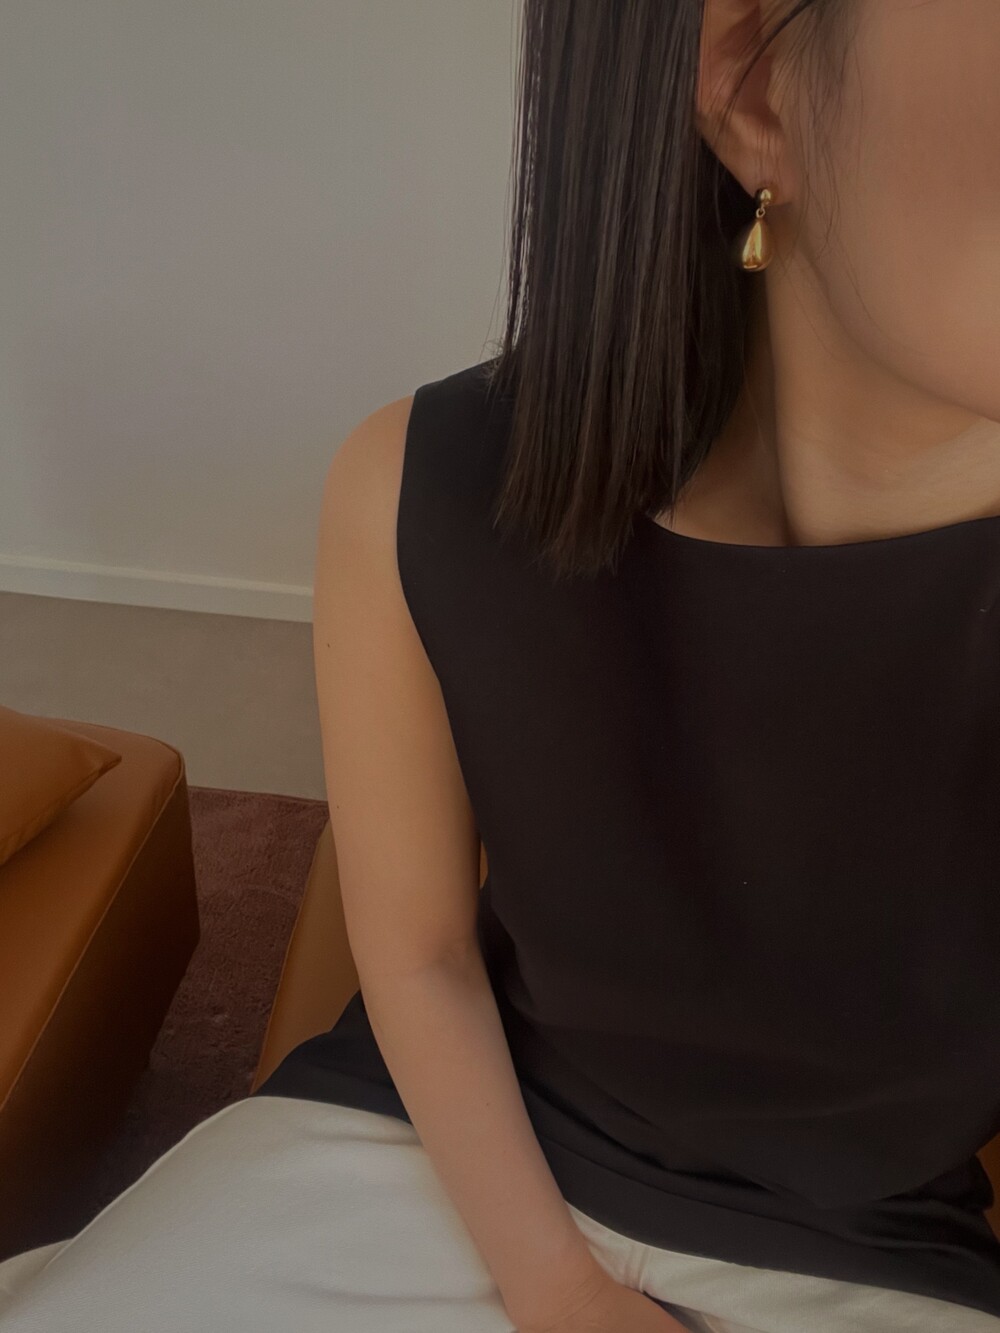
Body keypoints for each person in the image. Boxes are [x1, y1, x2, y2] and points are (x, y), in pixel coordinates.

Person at [3, 0, 1000, 1329]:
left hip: (867, 1261)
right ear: (754, 81)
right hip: (424, 1153)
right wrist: (558, 1289)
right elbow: (417, 951)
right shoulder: (420, 490)